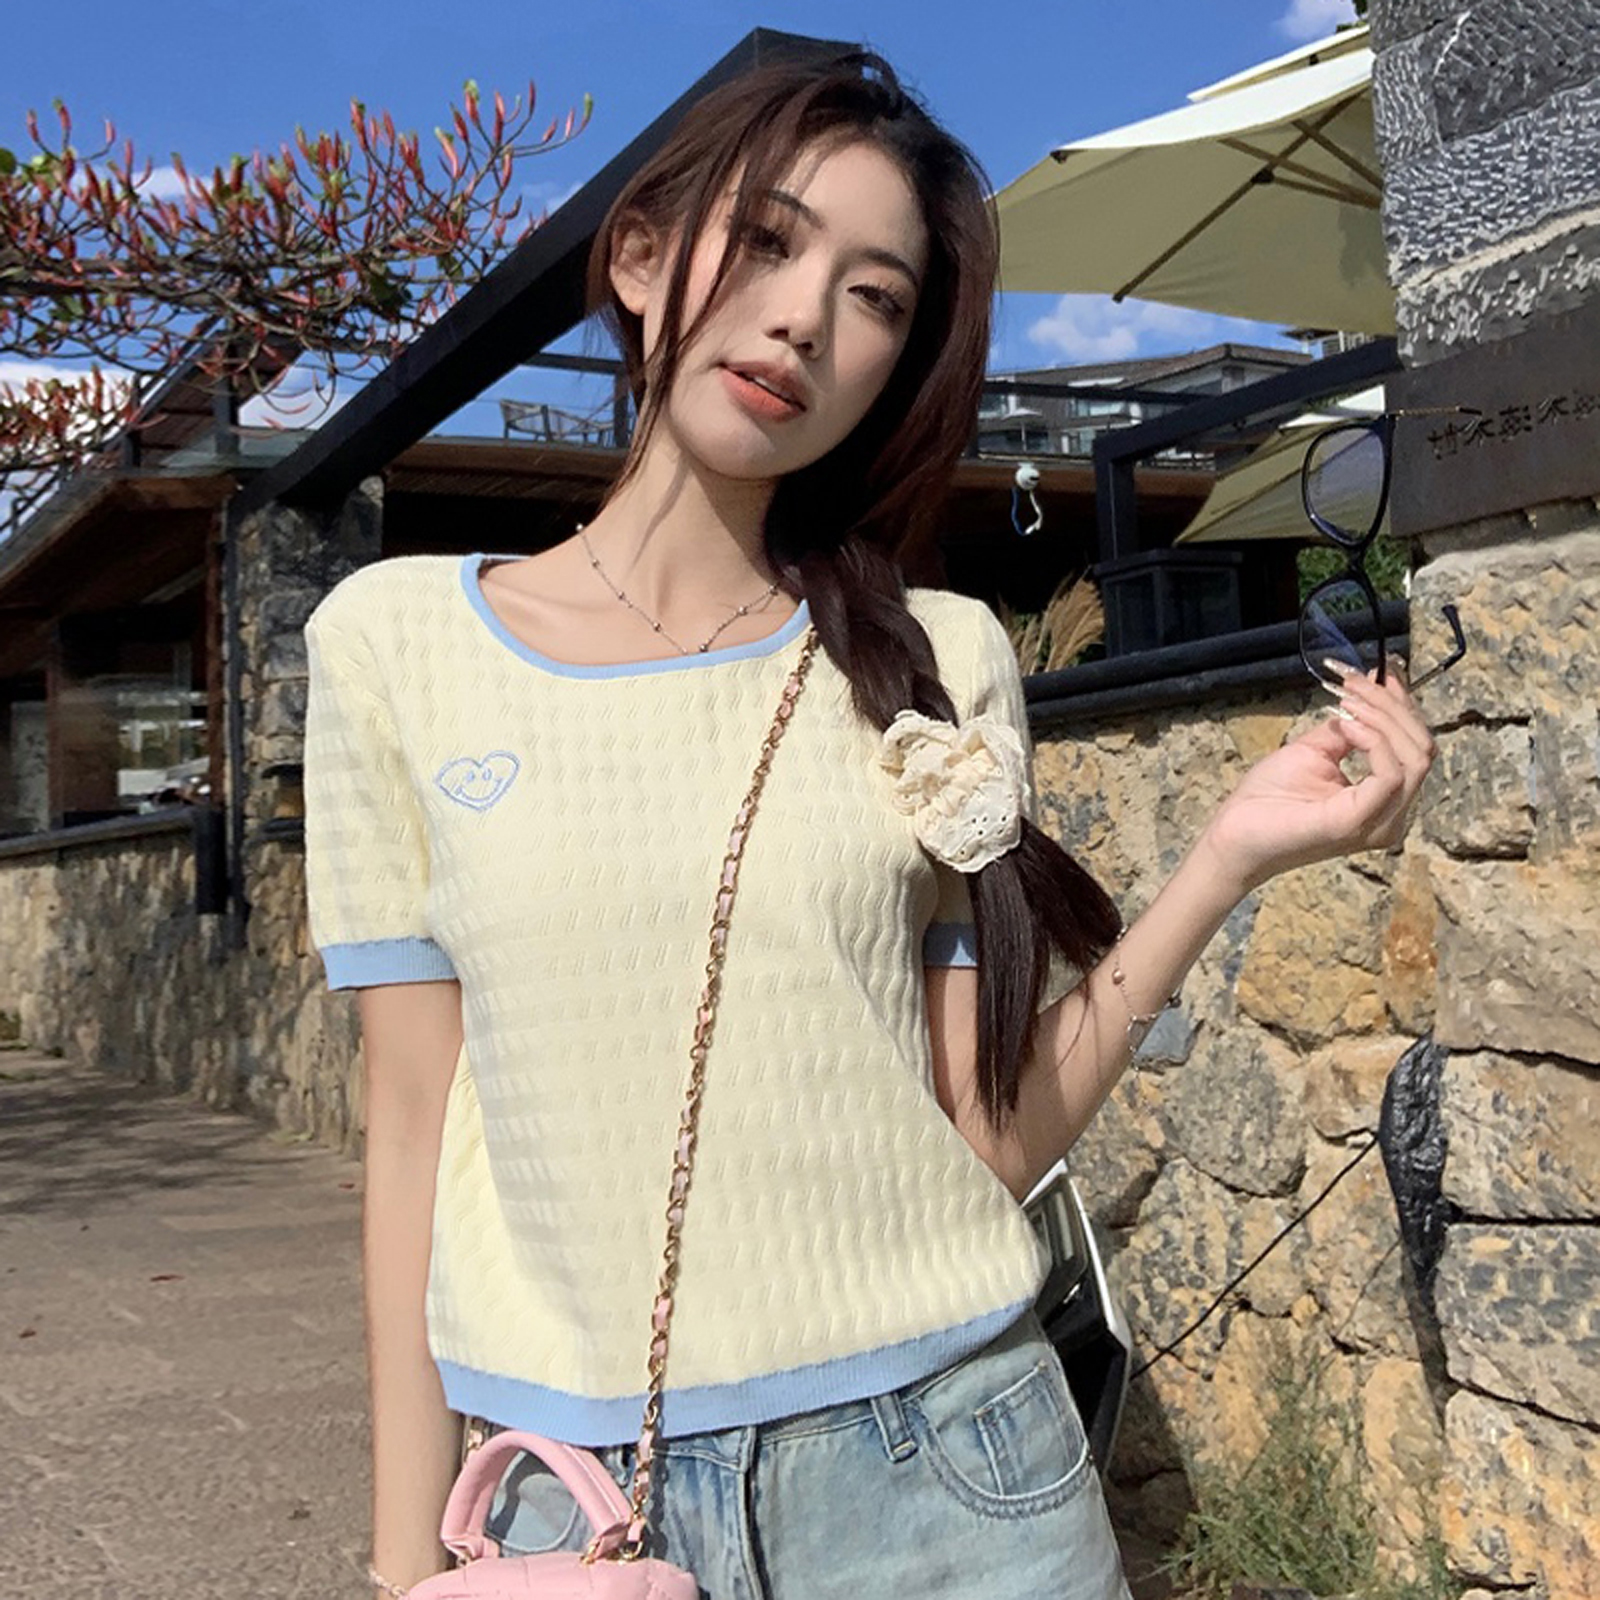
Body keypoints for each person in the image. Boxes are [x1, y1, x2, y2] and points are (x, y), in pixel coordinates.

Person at [301, 51, 1437, 1600]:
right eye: (767, 241)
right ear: (640, 256)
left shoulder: (939, 659)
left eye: (875, 297)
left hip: (951, 1478)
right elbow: (410, 1136)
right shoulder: (396, 646)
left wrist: (1228, 855)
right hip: (580, 1504)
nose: (803, 319)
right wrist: (398, 1568)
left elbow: (989, 1143)